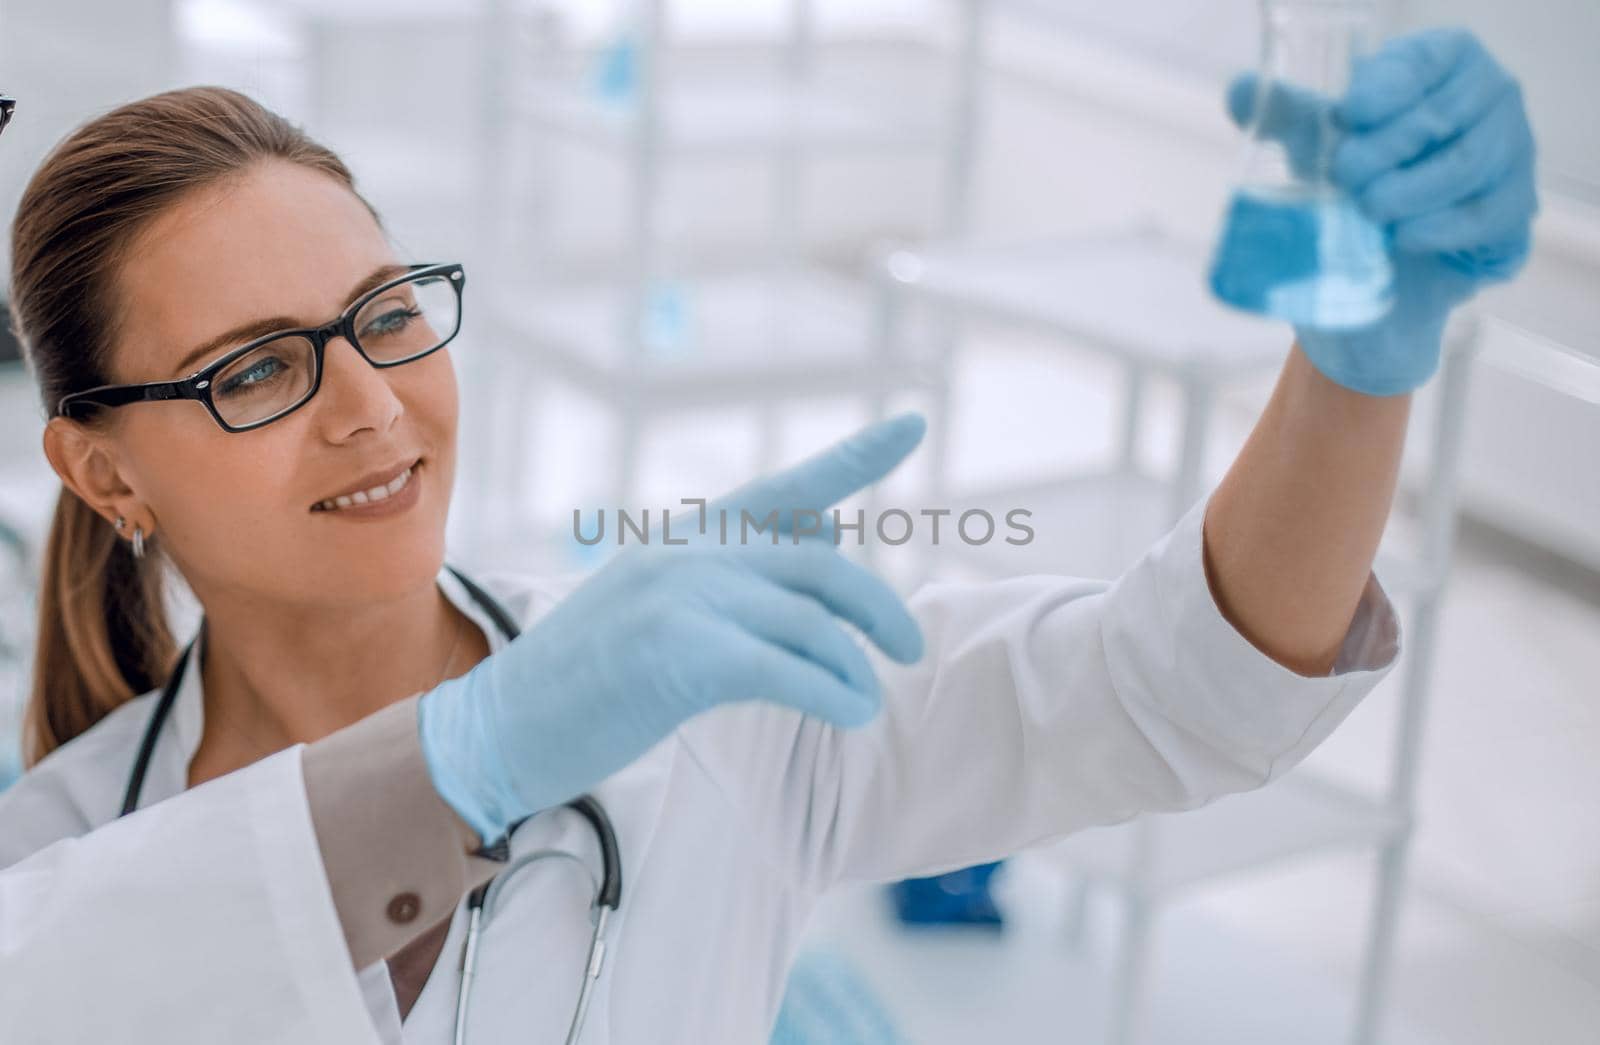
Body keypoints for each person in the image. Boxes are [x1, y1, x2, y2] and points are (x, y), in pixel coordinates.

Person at [0, 27, 1534, 1044]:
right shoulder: (56, 854)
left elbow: (1176, 689)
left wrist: (1353, 365)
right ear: (104, 474)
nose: (371, 407)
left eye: (388, 316)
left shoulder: (704, 701)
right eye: (258, 368)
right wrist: (471, 754)